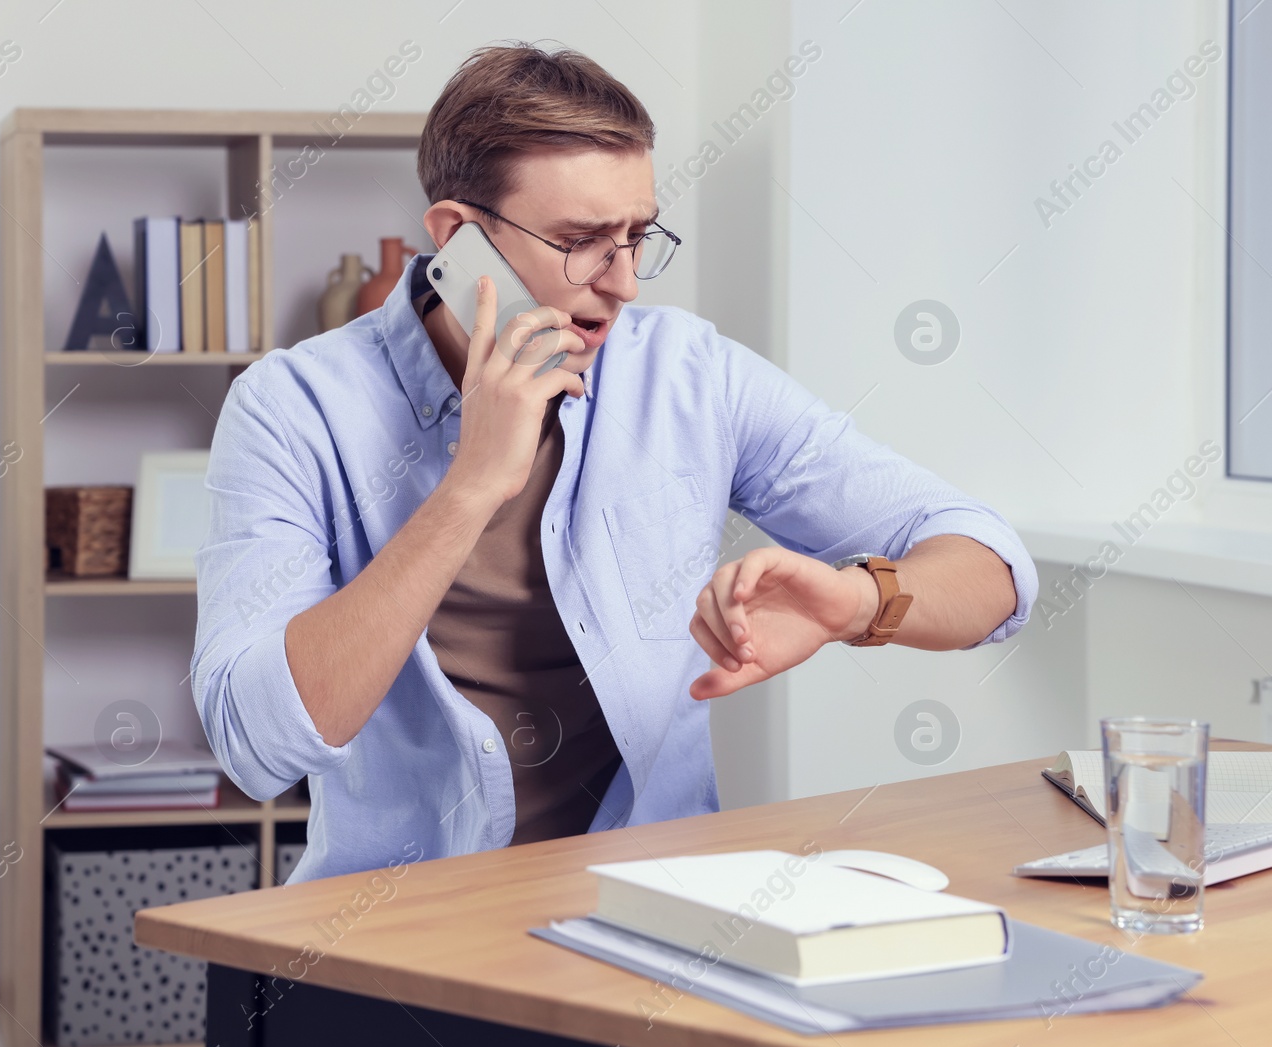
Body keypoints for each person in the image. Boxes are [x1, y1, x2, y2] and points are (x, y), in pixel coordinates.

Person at [192, 43, 1037, 883]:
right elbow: (255, 745)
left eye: (638, 236)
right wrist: (472, 487)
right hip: (394, 935)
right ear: (459, 240)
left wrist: (850, 602)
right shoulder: (291, 408)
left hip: (654, 921)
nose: (626, 283)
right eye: (584, 240)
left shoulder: (688, 375)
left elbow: (991, 564)